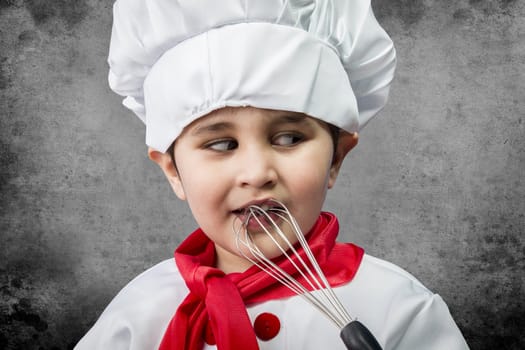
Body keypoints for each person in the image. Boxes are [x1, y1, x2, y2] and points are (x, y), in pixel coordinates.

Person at [76, 0, 469, 349]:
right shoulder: (137, 316)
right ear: (173, 171)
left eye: (289, 138)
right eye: (221, 145)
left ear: (336, 159)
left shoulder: (401, 310)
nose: (256, 173)